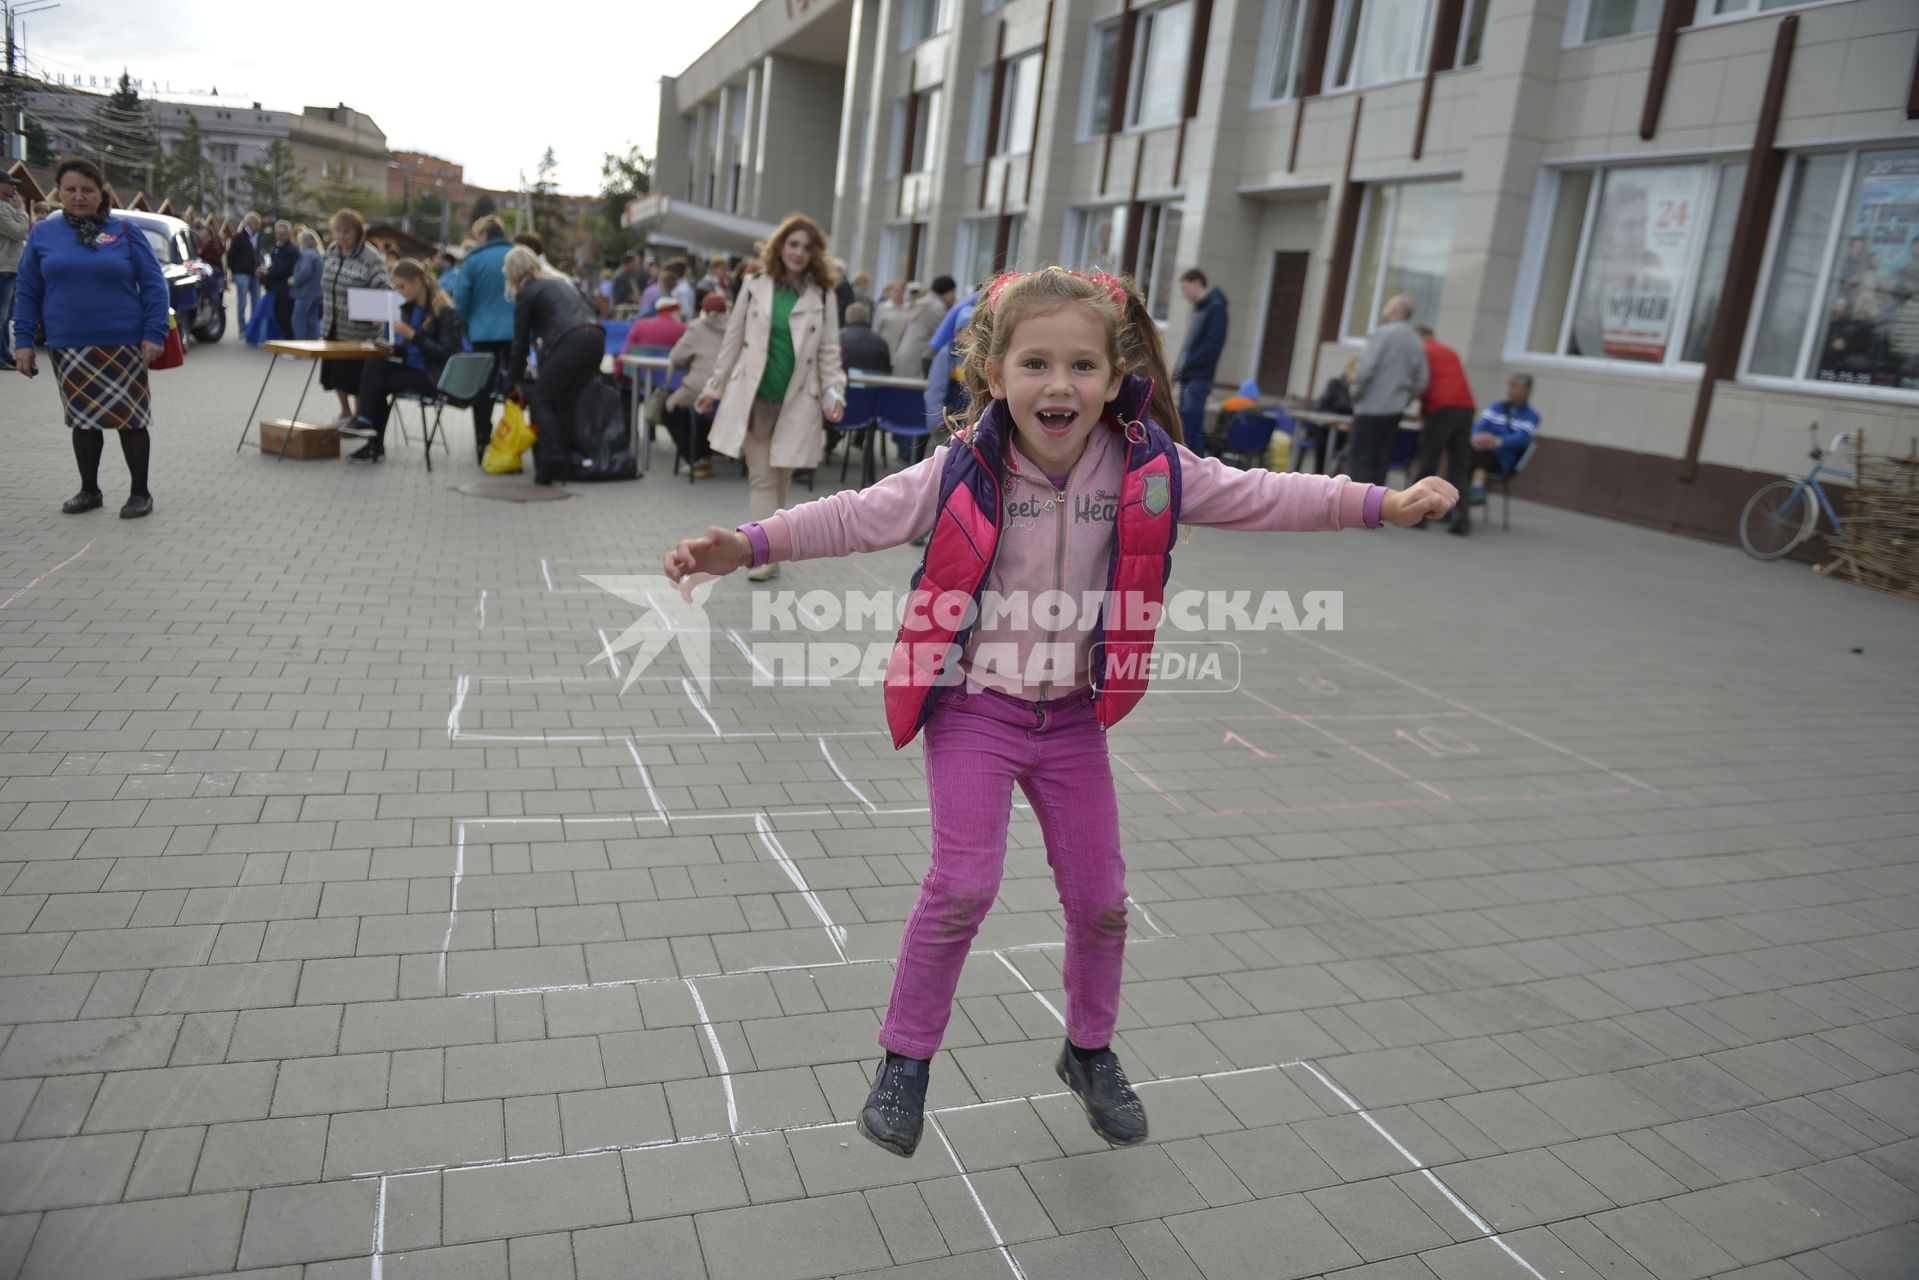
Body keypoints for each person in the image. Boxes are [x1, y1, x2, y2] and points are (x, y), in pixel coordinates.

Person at [661, 265, 1456, 1159]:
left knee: (1103, 902)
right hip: (973, 709)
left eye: (1082, 366)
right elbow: (860, 514)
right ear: (994, 376)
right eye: (1035, 363)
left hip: (1070, 721)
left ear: (1114, 383)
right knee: (962, 885)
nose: (1059, 384)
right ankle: (905, 1061)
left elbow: (1265, 493)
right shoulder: (964, 465)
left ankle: (1087, 1050)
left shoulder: (1148, 466)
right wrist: (751, 542)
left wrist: (1380, 503)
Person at [12, 157, 170, 519]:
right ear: (59, 193)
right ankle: (89, 490)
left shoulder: (127, 232)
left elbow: (153, 287)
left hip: (123, 343)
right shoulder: (42, 234)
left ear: (102, 194)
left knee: (131, 420)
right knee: (82, 419)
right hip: (68, 344)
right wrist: (22, 341)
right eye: (71, 189)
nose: (79, 196)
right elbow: (27, 290)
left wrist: (153, 333)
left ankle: (140, 493)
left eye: (87, 189)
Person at [694, 211, 848, 581]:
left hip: (799, 401)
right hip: (756, 398)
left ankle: (770, 548)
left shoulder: (823, 296)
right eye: (793, 244)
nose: (798, 253)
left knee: (781, 478)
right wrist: (713, 388)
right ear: (780, 247)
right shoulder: (754, 285)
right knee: (762, 478)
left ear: (814, 255)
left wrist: (834, 393)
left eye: (806, 248)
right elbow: (732, 342)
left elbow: (829, 351)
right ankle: (760, 556)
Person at [339, 258, 467, 463]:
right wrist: (394, 349)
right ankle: (366, 425)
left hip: (434, 375)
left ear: (418, 282)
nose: (398, 292)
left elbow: (447, 354)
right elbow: (411, 351)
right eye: (395, 287)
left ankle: (370, 435)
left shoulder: (444, 311)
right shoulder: (409, 308)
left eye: (402, 286)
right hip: (415, 369)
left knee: (379, 385)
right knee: (374, 364)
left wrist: (413, 336)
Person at [504, 244, 603, 486]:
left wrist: (512, 380)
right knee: (565, 403)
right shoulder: (561, 282)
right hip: (595, 339)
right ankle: (565, 462)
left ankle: (552, 461)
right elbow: (594, 308)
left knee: (541, 398)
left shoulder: (529, 290)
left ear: (513, 272)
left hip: (570, 341)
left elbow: (520, 342)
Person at [317, 208, 391, 427]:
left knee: (356, 376)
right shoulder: (331, 251)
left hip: (360, 331)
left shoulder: (371, 258)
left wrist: (379, 312)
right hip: (333, 323)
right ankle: (345, 412)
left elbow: (385, 289)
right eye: (338, 231)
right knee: (334, 373)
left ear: (358, 233)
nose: (341, 237)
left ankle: (360, 415)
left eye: (346, 232)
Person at [451, 216, 514, 463]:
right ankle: (513, 437)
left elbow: (462, 298)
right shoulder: (518, 255)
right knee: (514, 385)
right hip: (515, 334)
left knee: (483, 389)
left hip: (482, 333)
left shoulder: (473, 260)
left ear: (484, 235)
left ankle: (482, 439)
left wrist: (465, 325)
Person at [1347, 293, 1427, 486]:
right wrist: (1404, 399)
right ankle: (1376, 510)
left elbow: (1365, 369)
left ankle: (1357, 512)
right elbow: (1422, 380)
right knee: (1381, 462)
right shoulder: (1416, 340)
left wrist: (1355, 390)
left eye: (1388, 304)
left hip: (1370, 407)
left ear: (1395, 311)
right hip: (1394, 410)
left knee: (1361, 461)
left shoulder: (1382, 334)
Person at [1412, 324, 1475, 531]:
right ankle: (1462, 520)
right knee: (1459, 466)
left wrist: (1423, 414)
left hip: (1441, 409)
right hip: (1465, 409)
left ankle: (1417, 516)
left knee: (1428, 461)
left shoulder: (1421, 350)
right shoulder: (1449, 351)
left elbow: (1422, 383)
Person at [1463, 374, 1542, 533]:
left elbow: (1521, 438)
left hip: (1503, 460)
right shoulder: (1496, 407)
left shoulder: (1532, 417)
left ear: (1527, 391)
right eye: (1509, 385)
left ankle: (1472, 491)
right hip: (1481, 451)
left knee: (1481, 456)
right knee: (1466, 453)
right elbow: (1479, 426)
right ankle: (1471, 493)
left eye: (1515, 386)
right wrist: (1477, 437)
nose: (1510, 390)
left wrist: (1497, 442)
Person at [666, 292, 729, 478]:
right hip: (730, 393)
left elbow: (677, 357)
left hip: (702, 389)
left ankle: (697, 457)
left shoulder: (697, 327)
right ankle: (709, 451)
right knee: (704, 413)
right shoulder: (737, 326)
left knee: (671, 409)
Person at [1171, 268, 1228, 459]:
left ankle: (1198, 472)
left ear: (1197, 283)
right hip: (1192, 377)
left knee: (1192, 430)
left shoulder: (1216, 308)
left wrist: (1188, 367)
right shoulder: (1205, 309)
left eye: (1186, 288)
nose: (1185, 294)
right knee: (1188, 427)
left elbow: (1212, 346)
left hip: (1198, 378)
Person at [892, 275, 954, 378]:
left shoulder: (921, 303)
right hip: (918, 360)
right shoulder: (937, 309)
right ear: (948, 292)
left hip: (902, 357)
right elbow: (944, 338)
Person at [0, 173, 27, 369]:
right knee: (1, 316)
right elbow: (19, 232)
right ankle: (2, 356)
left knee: (7, 316)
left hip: (11, 267)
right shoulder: (2, 210)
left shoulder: (7, 207)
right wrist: (21, 212)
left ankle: (5, 354)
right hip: (3, 268)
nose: (14, 189)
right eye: (10, 184)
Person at [259, 219, 299, 339]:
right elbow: (274, 264)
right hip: (275, 288)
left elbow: (286, 269)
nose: (279, 236)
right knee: (278, 314)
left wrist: (268, 272)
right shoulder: (276, 247)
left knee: (285, 316)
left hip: (285, 289)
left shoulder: (291, 250)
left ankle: (290, 341)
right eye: (278, 234)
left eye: (283, 234)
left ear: (289, 234)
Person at [226, 211, 263, 329]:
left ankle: (253, 326)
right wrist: (235, 270)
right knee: (242, 302)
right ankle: (242, 327)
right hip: (242, 274)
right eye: (257, 224)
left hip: (255, 273)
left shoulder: (257, 238)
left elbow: (258, 255)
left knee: (256, 301)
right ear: (250, 223)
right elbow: (231, 255)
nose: (258, 226)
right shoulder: (239, 237)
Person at [290, 229, 325, 340]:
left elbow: (305, 272)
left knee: (298, 320)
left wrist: (294, 280)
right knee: (311, 321)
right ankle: (311, 347)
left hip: (305, 293)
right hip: (316, 293)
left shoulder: (307, 255)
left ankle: (299, 349)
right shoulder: (318, 255)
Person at [839, 301, 892, 372]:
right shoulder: (881, 342)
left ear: (846, 318)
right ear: (867, 319)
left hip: (844, 380)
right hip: (874, 381)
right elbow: (886, 367)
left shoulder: (838, 338)